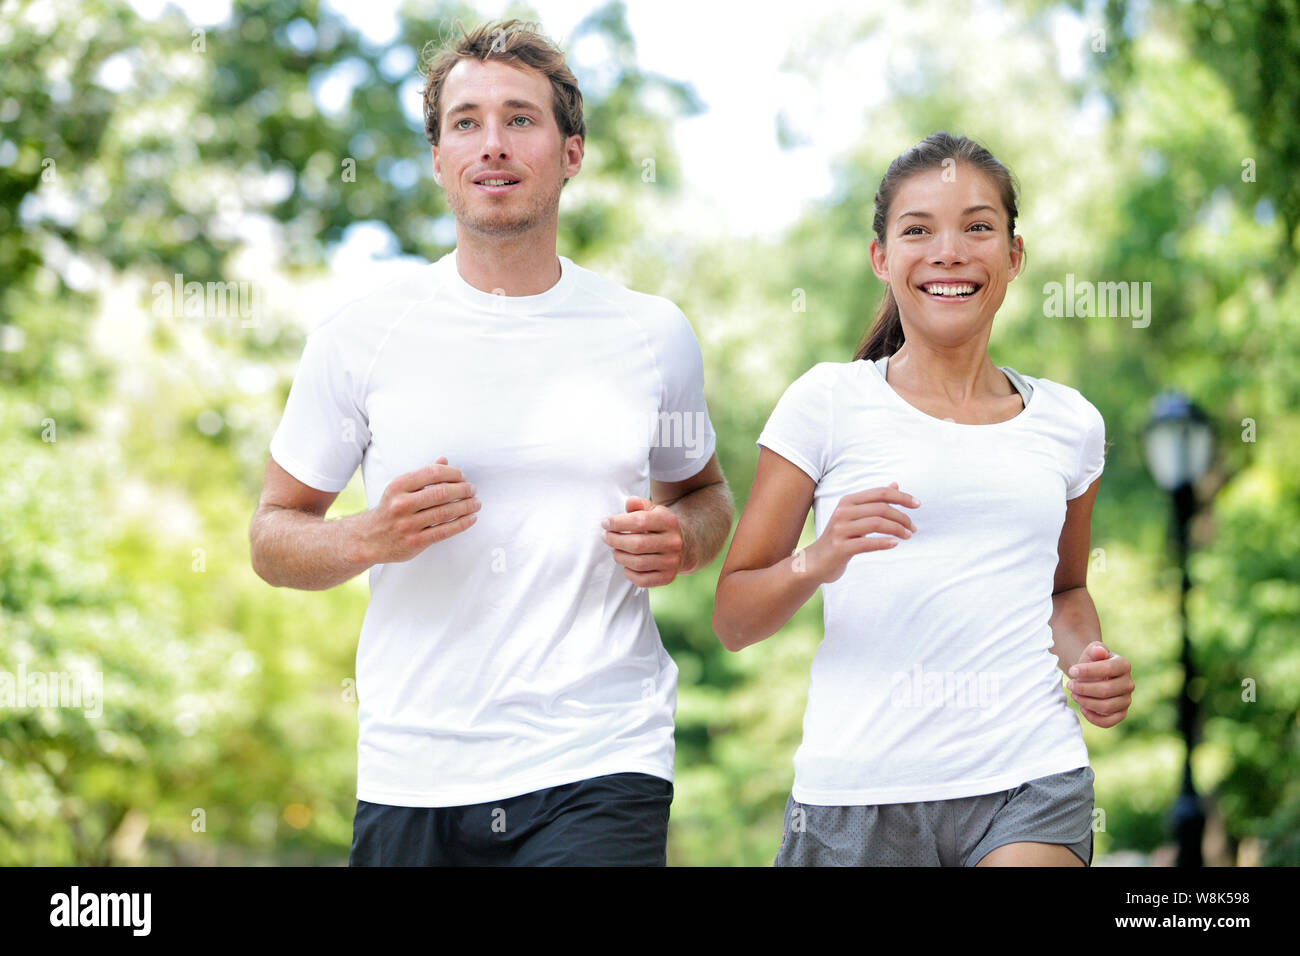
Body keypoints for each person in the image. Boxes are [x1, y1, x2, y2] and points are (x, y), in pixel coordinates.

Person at [249, 19, 733, 866]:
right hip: (416, 769)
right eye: (465, 123)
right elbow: (271, 538)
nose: (492, 144)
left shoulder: (653, 334)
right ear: (438, 159)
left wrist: (683, 539)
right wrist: (371, 536)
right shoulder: (360, 336)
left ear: (571, 152)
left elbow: (706, 496)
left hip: (601, 752)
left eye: (521, 119)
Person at [712, 131, 1134, 867]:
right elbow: (734, 618)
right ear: (882, 259)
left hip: (1027, 775)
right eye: (918, 230)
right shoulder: (827, 402)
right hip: (856, 796)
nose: (949, 251)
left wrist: (1087, 662)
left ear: (1013, 255)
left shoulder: (1071, 422)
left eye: (978, 227)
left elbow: (1065, 593)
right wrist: (820, 556)